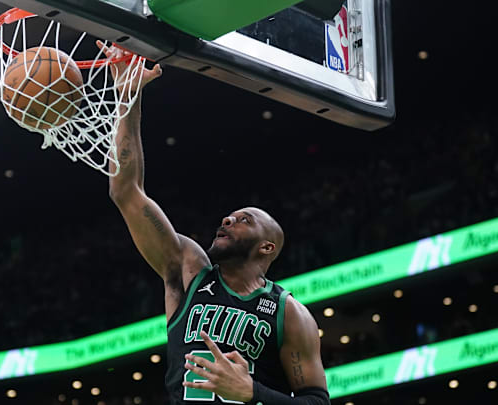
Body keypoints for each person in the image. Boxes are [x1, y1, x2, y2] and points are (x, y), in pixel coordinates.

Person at [99, 41, 329, 405]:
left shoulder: (289, 313)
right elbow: (126, 192)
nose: (228, 219)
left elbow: (317, 401)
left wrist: (252, 393)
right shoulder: (188, 270)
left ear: (266, 246)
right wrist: (128, 97)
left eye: (244, 220)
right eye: (230, 216)